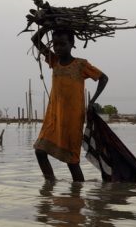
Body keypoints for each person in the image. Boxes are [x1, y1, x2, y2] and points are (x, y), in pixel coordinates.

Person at [31, 25, 108, 181]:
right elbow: (35, 40)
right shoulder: (54, 60)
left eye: (63, 44)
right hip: (54, 117)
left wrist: (92, 101)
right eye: (55, 44)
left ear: (72, 44)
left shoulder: (81, 64)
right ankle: (50, 184)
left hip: (73, 118)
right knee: (40, 151)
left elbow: (103, 78)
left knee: (71, 162)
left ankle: (76, 195)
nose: (58, 48)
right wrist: (47, 25)